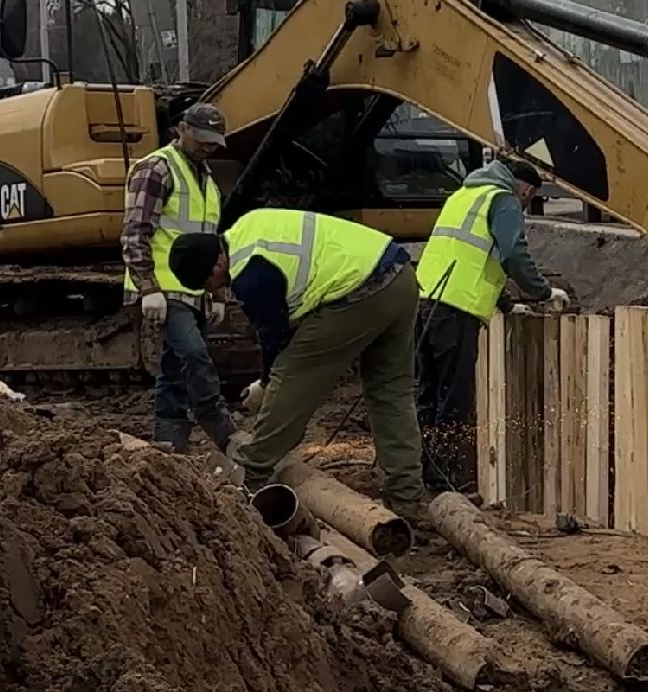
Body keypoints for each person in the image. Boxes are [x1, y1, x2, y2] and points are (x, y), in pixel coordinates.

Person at [167, 209, 427, 515]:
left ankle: (250, 472)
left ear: (218, 263)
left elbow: (276, 342)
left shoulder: (250, 275)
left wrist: (265, 385)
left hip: (357, 290)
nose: (215, 290)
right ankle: (406, 497)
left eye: (209, 283)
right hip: (399, 276)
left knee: (292, 380)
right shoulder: (249, 226)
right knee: (390, 392)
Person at [412, 158, 568, 491]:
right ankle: (444, 478)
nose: (524, 206)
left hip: (425, 300)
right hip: (456, 309)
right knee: (454, 396)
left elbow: (473, 256)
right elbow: (512, 253)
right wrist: (542, 292)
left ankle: (419, 469)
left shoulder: (464, 195)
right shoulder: (503, 199)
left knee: (427, 391)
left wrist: (509, 304)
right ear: (525, 189)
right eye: (528, 199)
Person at [121, 102, 238, 453]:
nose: (208, 146)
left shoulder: (206, 178)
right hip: (166, 288)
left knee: (173, 371)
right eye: (202, 138)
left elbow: (214, 238)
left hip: (196, 290)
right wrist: (148, 287)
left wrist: (218, 294)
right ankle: (221, 427)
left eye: (214, 141)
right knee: (194, 354)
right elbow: (135, 232)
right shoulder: (157, 169)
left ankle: (168, 446)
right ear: (182, 129)